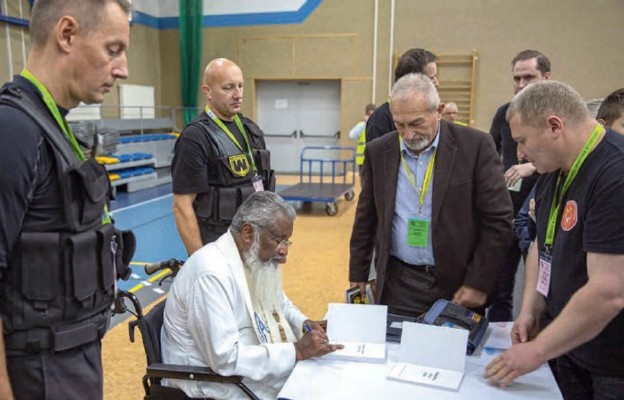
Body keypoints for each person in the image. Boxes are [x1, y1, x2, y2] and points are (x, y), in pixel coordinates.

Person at [0, 1, 133, 399]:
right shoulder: (14, 130)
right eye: (113, 50)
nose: (123, 68)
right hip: (38, 374)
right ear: (67, 34)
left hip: (70, 360)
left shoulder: (52, 125)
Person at [484, 81, 624, 399]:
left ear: (554, 126)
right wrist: (530, 308)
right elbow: (540, 246)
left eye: (522, 141)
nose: (520, 154)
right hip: (567, 344)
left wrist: (536, 352)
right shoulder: (553, 170)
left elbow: (609, 292)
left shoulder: (615, 175)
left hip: (611, 363)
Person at [349, 73, 513, 317]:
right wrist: (358, 274)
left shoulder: (475, 146)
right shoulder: (379, 151)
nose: (408, 135)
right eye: (399, 125)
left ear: (439, 111)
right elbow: (367, 217)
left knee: (452, 354)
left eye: (416, 123)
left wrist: (479, 280)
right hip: (399, 284)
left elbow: (498, 220)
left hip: (458, 285)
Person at [162, 191, 342, 399]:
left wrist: (304, 323)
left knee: (319, 379)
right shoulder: (211, 273)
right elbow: (225, 358)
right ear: (248, 232)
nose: (284, 251)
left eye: (287, 242)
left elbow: (279, 304)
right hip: (210, 382)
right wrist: (297, 351)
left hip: (241, 367)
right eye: (279, 240)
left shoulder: (250, 259)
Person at [172, 58, 274, 256]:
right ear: (207, 91)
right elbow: (181, 206)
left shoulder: (251, 129)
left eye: (240, 86)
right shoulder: (195, 138)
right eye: (228, 88)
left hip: (254, 239)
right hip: (218, 246)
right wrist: (200, 261)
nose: (238, 95)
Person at [487, 49, 552, 322]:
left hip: (543, 219)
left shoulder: (557, 117)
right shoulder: (505, 113)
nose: (522, 84)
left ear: (546, 78)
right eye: (517, 78)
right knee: (500, 288)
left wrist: (533, 167)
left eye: (529, 77)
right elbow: (490, 152)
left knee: (543, 289)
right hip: (507, 214)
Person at [365, 48, 438, 144]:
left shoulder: (432, 115)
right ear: (413, 82)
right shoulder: (381, 120)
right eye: (431, 79)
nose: (437, 83)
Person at [349, 103, 376, 176]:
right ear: (366, 115)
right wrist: (364, 124)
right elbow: (351, 135)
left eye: (373, 115)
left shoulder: (377, 126)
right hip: (362, 160)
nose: (371, 117)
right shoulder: (361, 126)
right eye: (369, 115)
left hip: (374, 161)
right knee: (364, 184)